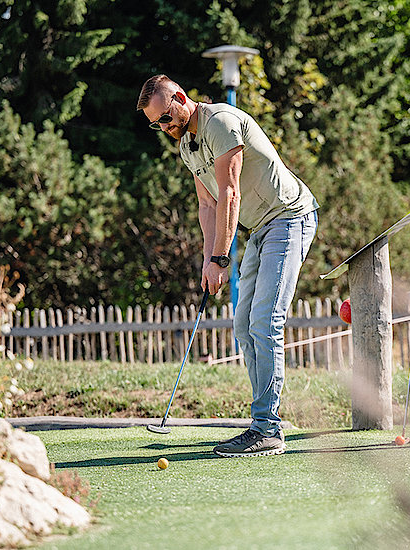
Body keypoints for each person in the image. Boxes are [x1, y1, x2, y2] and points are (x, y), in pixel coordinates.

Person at [136, 75, 318, 457]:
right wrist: (209, 259)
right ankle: (262, 423)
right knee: (243, 325)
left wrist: (221, 259)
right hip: (261, 228)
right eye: (157, 125)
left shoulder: (219, 122)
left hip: (289, 216)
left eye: (166, 118)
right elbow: (208, 205)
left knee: (265, 321)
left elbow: (230, 192)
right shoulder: (187, 145)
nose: (164, 128)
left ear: (182, 98)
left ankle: (268, 428)